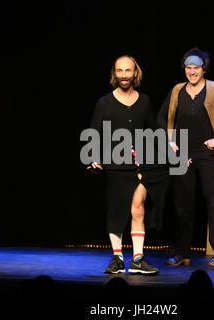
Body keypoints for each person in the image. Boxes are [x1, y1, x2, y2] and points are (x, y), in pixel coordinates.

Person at [158, 48, 214, 268]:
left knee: (213, 202)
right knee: (181, 204)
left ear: (204, 68)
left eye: (196, 68)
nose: (192, 72)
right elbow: (161, 117)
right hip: (181, 155)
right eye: (188, 68)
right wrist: (170, 141)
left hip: (207, 154)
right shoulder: (177, 90)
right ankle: (182, 252)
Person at [87, 55, 169, 275]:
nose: (124, 75)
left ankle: (138, 259)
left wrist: (168, 146)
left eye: (128, 71)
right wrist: (94, 157)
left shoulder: (144, 101)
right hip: (116, 165)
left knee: (138, 209)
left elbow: (152, 131)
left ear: (135, 73)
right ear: (115, 74)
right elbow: (94, 133)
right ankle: (117, 258)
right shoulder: (104, 103)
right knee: (117, 213)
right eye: (120, 71)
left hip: (142, 165)